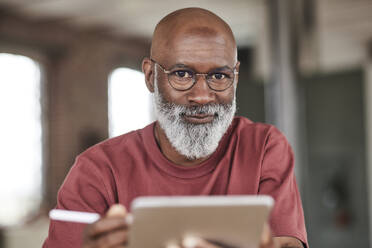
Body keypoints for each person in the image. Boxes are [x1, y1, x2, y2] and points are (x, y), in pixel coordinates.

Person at [43, 7, 308, 248]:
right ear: (150, 76)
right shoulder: (97, 170)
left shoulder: (263, 148)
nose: (202, 96)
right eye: (182, 74)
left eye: (219, 76)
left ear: (235, 77)